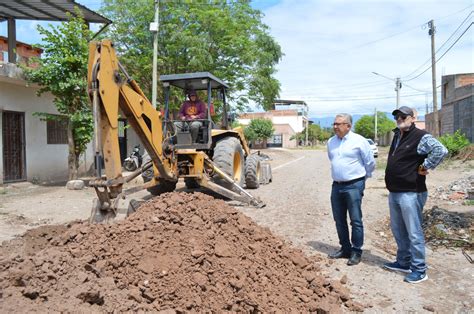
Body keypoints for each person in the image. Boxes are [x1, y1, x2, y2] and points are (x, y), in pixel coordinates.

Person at [383, 106, 448, 284]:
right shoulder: (397, 135)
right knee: (398, 230)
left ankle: (419, 269)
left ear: (413, 118)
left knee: (414, 232)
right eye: (397, 116)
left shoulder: (421, 136)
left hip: (411, 193)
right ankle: (403, 262)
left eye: (403, 116)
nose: (399, 118)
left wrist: (426, 166)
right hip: (395, 191)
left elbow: (441, 150)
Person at [327, 113, 375, 266]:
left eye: (339, 124)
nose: (335, 127)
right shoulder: (331, 142)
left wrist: (362, 179)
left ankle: (356, 251)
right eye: (334, 124)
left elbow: (370, 163)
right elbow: (332, 159)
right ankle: (345, 248)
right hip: (337, 186)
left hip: (354, 185)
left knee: (355, 220)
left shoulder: (359, 141)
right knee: (339, 219)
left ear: (348, 126)